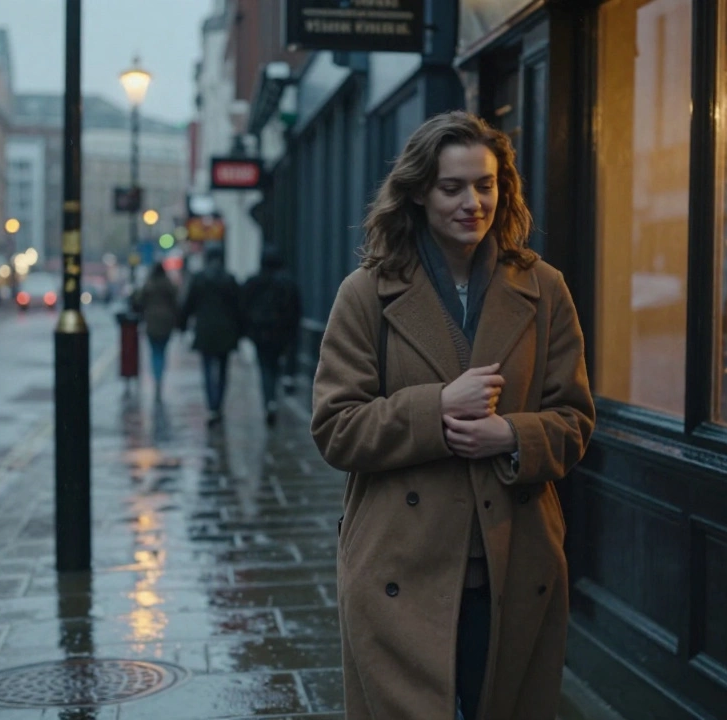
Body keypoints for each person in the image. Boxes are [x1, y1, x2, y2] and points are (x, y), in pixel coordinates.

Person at [310, 111, 595, 720]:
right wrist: (437, 408)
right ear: (418, 192)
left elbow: (574, 420)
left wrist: (510, 435)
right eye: (452, 187)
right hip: (399, 566)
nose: (473, 202)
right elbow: (336, 427)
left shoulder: (544, 288)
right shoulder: (367, 293)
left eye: (485, 185)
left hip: (513, 563)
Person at [178, 244, 242, 425]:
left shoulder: (199, 278)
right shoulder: (229, 279)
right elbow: (239, 307)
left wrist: (182, 325)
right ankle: (218, 404)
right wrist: (241, 331)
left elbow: (188, 304)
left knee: (207, 368)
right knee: (223, 369)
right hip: (226, 331)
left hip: (205, 330)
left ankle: (212, 405)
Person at [240, 246, 302, 425]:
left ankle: (269, 401)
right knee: (275, 364)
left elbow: (243, 306)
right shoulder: (287, 282)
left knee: (265, 367)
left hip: (260, 333)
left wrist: (247, 329)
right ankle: (276, 394)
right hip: (281, 332)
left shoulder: (253, 282)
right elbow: (296, 309)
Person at [132, 263, 180, 401]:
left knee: (154, 352)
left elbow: (139, 302)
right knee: (162, 351)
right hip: (166, 322)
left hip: (152, 322)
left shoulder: (149, 285)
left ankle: (156, 377)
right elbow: (176, 303)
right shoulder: (169, 285)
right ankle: (160, 377)